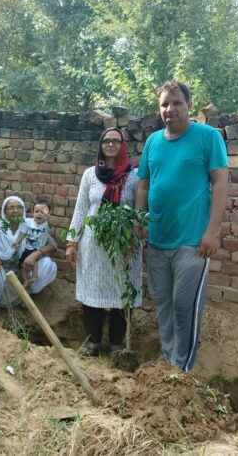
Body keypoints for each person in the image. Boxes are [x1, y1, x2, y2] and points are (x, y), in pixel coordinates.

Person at [135, 81, 228, 372]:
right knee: (162, 303)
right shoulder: (153, 142)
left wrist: (212, 231)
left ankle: (182, 368)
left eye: (176, 103)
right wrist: (141, 219)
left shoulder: (207, 137)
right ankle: (166, 360)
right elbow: (143, 184)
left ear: (188, 105)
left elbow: (221, 182)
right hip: (158, 240)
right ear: (158, 109)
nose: (170, 109)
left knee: (183, 305)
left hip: (192, 242)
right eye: (164, 104)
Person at [65, 127, 143, 357]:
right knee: (91, 292)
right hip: (93, 245)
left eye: (115, 141)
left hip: (123, 245)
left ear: (123, 145)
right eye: (106, 141)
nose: (110, 145)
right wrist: (72, 242)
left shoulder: (135, 175)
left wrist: (136, 237)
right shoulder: (90, 174)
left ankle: (117, 345)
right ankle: (93, 342)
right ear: (100, 145)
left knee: (121, 292)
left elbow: (140, 211)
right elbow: (81, 210)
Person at [0, 196, 58, 307]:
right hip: (2, 270)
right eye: (11, 208)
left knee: (47, 264)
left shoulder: (30, 225)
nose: (16, 211)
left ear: (23, 210)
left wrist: (35, 255)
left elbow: (53, 245)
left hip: (24, 268)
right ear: (5, 211)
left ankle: (27, 294)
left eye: (19, 207)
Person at [12, 201, 53, 285]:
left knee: (34, 262)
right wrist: (17, 242)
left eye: (43, 212)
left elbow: (52, 238)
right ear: (33, 213)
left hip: (37, 249)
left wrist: (47, 219)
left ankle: (35, 276)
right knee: (22, 266)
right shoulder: (28, 223)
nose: (39, 214)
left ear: (48, 215)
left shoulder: (46, 225)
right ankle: (26, 281)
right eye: (36, 211)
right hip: (27, 248)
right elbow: (22, 233)